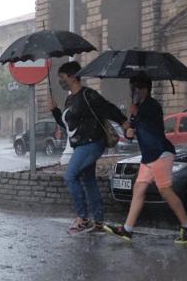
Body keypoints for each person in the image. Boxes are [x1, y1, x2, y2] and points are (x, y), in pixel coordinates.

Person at [103, 73, 187, 244]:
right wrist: (130, 125)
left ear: (144, 89)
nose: (132, 92)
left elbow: (145, 122)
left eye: (135, 88)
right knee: (139, 190)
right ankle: (127, 230)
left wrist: (135, 113)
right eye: (131, 88)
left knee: (165, 191)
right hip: (149, 156)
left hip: (160, 153)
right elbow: (132, 133)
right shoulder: (140, 107)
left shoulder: (151, 106)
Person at [50, 62, 129, 235]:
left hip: (92, 142)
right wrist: (55, 111)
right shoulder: (70, 99)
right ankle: (98, 221)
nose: (60, 81)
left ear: (71, 76)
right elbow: (67, 125)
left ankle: (83, 218)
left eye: (62, 77)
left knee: (70, 176)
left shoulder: (88, 95)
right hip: (81, 144)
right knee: (88, 181)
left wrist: (123, 121)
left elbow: (107, 108)